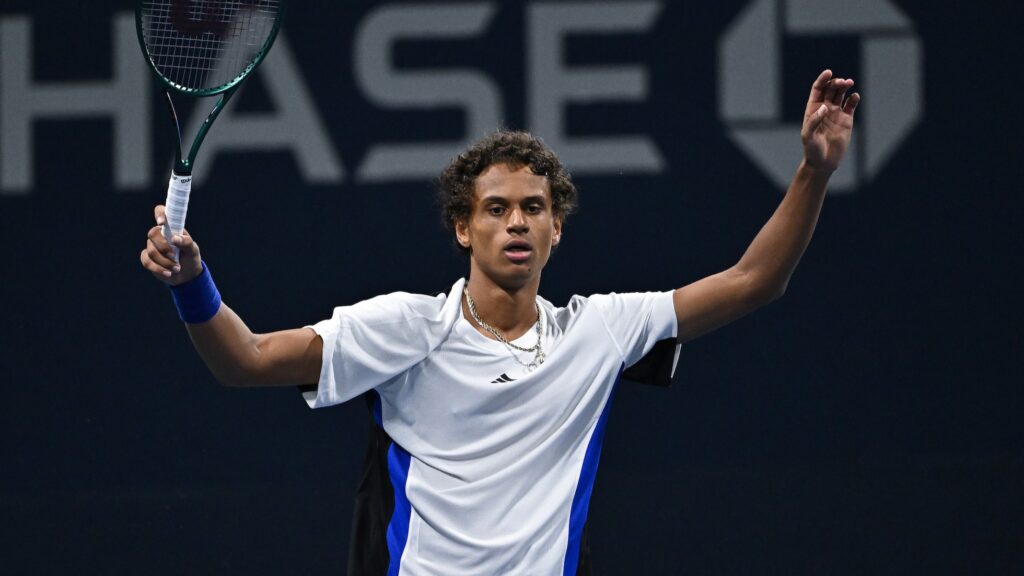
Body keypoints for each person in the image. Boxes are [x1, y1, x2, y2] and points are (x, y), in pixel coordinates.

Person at [141, 70, 860, 575]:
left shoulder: (597, 334)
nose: (516, 221)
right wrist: (191, 283)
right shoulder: (404, 330)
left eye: (534, 208)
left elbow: (754, 281)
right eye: (496, 208)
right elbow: (245, 358)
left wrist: (814, 171)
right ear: (463, 228)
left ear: (556, 233)